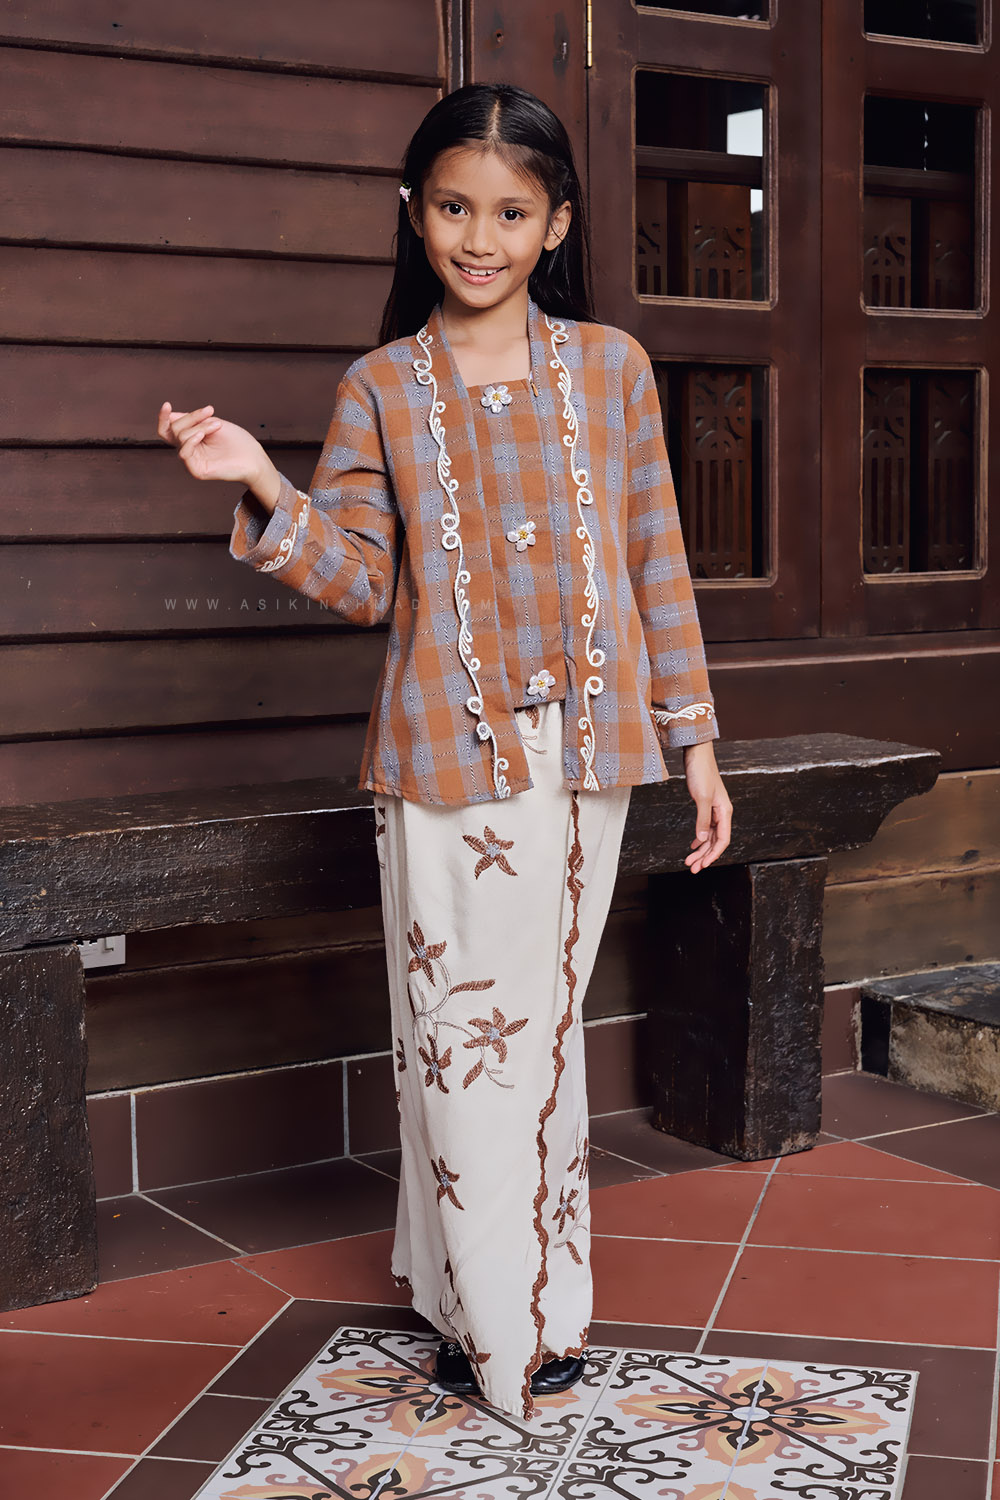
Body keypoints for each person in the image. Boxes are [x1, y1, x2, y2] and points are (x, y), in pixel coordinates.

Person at [156, 81, 732, 1422]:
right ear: (414, 214)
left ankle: (521, 1299)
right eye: (456, 208)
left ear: (557, 223)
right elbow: (364, 582)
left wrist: (697, 744)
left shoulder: (613, 370)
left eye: (512, 213)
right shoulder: (380, 389)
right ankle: (494, 1316)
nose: (481, 238)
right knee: (462, 1039)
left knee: (540, 1037)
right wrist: (262, 482)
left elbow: (658, 565)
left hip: (590, 762)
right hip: (439, 766)